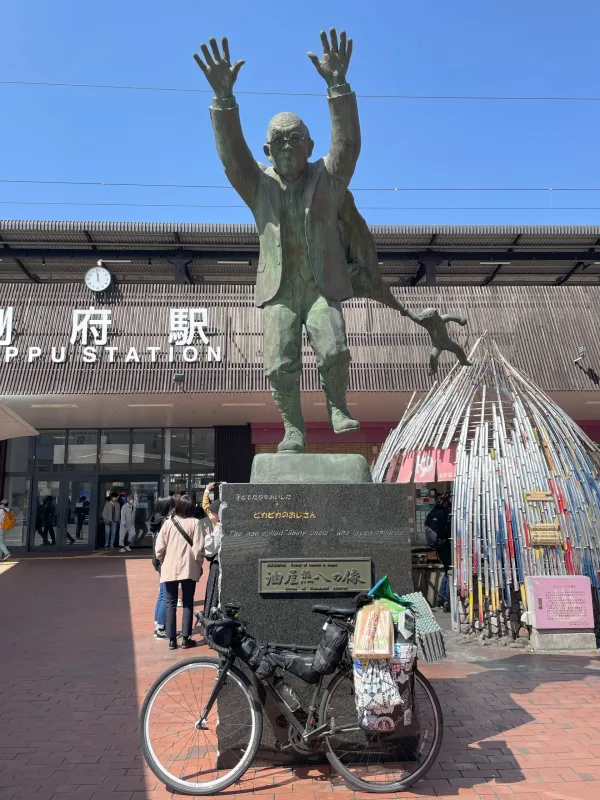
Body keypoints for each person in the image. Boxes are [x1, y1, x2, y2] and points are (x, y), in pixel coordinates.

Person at [155, 494, 204, 650]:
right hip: (188, 567)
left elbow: (159, 548)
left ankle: (171, 640)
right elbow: (198, 548)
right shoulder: (196, 523)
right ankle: (185, 638)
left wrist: (162, 560)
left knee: (171, 603)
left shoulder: (169, 523)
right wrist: (199, 562)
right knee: (188, 602)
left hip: (170, 567)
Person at [150, 497, 173, 640]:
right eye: (171, 506)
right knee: (166, 595)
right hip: (165, 561)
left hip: (159, 561)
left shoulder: (155, 519)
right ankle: (161, 628)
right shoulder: (165, 522)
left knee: (162, 594)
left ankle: (158, 623)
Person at [424, 494, 452, 611]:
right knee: (451, 571)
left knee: (447, 570)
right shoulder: (447, 513)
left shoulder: (433, 511)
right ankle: (447, 600)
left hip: (438, 546)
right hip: (446, 544)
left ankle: (441, 597)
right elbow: (450, 530)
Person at [201, 482, 223, 622]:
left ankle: (212, 621)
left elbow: (209, 550)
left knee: (215, 594)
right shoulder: (222, 523)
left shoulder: (219, 526)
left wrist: (208, 537)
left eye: (212, 513)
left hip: (217, 562)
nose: (210, 515)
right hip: (221, 561)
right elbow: (206, 506)